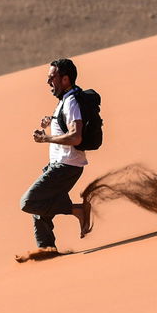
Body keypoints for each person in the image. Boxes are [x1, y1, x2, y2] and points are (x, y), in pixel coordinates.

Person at [19, 57, 93, 257]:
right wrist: (50, 121)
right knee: (39, 210)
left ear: (65, 79)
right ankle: (47, 249)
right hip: (60, 165)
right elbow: (67, 126)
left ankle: (78, 210)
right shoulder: (65, 101)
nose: (48, 82)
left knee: (29, 202)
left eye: (52, 77)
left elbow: (76, 137)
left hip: (66, 166)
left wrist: (47, 138)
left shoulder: (71, 103)